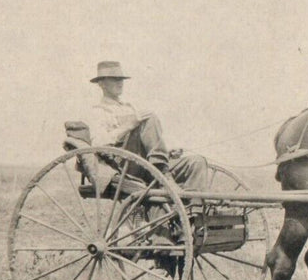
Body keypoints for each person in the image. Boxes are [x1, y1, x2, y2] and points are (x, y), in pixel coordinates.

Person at [66, 61, 209, 190]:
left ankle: (193, 211)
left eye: (121, 80)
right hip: (123, 166)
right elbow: (99, 143)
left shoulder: (129, 107)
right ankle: (162, 173)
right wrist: (129, 125)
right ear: (101, 84)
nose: (120, 83)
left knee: (197, 162)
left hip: (145, 165)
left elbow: (146, 141)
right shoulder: (97, 111)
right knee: (148, 118)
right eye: (114, 79)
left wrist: (168, 152)